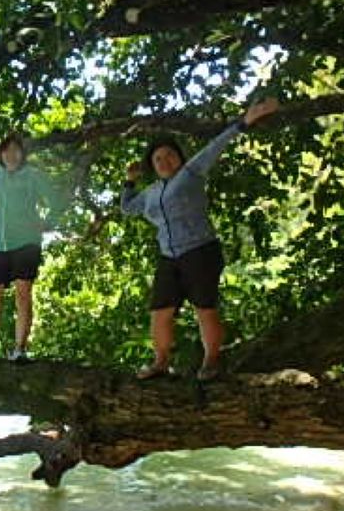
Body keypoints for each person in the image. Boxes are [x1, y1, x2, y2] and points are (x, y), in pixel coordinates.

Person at [120, 98, 279, 380]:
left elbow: (214, 147)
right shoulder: (150, 193)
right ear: (153, 167)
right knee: (160, 311)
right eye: (157, 159)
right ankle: (160, 362)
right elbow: (128, 208)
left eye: (169, 155)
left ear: (180, 157)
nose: (164, 161)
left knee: (204, 308)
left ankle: (211, 361)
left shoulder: (191, 173)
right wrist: (129, 182)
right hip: (169, 256)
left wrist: (245, 121)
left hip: (200, 250)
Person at [0, 132, 66, 368]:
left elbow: (57, 200)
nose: (12, 155)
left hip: (27, 243)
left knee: (23, 293)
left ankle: (19, 349)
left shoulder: (33, 176)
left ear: (23, 155)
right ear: (0, 154)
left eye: (17, 150)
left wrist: (48, 223)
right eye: (7, 150)